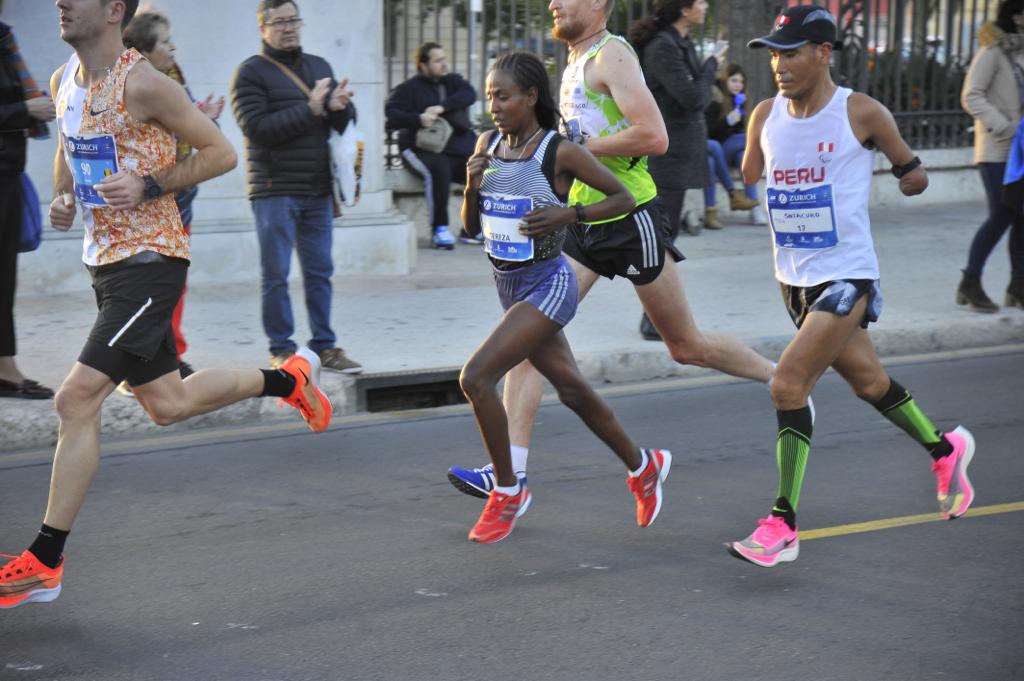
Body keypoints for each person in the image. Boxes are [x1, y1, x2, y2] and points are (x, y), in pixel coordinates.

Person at [0, 0, 333, 609]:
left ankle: (44, 561)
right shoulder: (63, 79)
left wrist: (150, 184)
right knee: (168, 404)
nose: (60, 4)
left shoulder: (146, 83)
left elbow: (221, 152)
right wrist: (64, 195)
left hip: (150, 262)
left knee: (76, 399)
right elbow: (69, 145)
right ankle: (287, 381)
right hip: (104, 265)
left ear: (111, 11)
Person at [447, 0, 775, 500]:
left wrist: (567, 152)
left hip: (629, 217)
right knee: (528, 338)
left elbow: (654, 135)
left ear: (598, 3)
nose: (553, 3)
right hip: (578, 221)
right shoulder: (574, 62)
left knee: (685, 346)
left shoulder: (611, 56)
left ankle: (784, 379)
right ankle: (509, 472)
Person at [729, 5, 975, 568]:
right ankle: (945, 449)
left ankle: (782, 524)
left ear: (823, 53)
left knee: (787, 386)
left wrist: (907, 178)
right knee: (868, 382)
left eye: (791, 53)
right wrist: (757, 140)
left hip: (846, 276)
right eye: (773, 53)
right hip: (792, 279)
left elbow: (913, 172)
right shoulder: (765, 113)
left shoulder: (860, 111)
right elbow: (749, 174)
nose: (780, 64)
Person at [459, 51, 671, 544]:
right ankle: (643, 467)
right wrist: (471, 186)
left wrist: (568, 217)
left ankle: (508, 490)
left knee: (477, 377)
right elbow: (471, 228)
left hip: (549, 285)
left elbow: (621, 197)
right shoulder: (486, 146)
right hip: (508, 287)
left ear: (531, 97)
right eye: (490, 95)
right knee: (574, 392)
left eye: (503, 95)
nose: (494, 105)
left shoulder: (558, 152)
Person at [230, 0, 362, 373]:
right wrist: (311, 108)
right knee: (276, 275)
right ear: (263, 28)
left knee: (320, 271)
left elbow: (339, 123)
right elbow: (257, 128)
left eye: (294, 20)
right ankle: (282, 348)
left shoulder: (319, 66)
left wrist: (339, 107)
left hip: (318, 189)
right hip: (274, 189)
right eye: (280, 22)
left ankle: (325, 346)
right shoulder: (249, 73)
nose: (289, 28)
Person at [122, 9, 225, 383]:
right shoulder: (133, 87)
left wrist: (207, 120)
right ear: (144, 51)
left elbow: (193, 131)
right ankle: (133, 363)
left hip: (180, 200)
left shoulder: (175, 79)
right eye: (166, 41)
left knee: (172, 285)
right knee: (142, 290)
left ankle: (171, 354)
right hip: (147, 203)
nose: (174, 47)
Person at [0, 3, 57, 400]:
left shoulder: (4, 37)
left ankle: (5, 367)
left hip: (8, 171)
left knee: (4, 277)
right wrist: (25, 109)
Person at [959, 0, 1024, 312]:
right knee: (1002, 214)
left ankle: (1017, 286)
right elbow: (971, 95)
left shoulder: (1020, 53)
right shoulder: (992, 52)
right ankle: (970, 282)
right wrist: (1005, 127)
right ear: (1018, 17)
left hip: (1020, 152)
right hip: (998, 150)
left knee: (1021, 217)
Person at [385, 42, 480, 249]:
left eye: (444, 59)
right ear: (423, 65)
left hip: (454, 149)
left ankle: (471, 229)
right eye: (437, 60)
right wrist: (419, 119)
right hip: (418, 149)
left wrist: (441, 107)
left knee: (479, 171)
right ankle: (440, 229)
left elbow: (469, 94)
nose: (444, 64)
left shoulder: (453, 82)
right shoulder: (408, 89)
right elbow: (392, 115)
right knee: (438, 170)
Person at [704, 63, 763, 229]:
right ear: (725, 81)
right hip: (718, 148)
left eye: (741, 81)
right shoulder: (716, 101)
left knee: (744, 155)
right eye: (734, 80)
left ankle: (754, 207)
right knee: (747, 139)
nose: (738, 85)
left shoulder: (740, 102)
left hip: (730, 153)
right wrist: (728, 121)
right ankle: (767, 144)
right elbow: (709, 133)